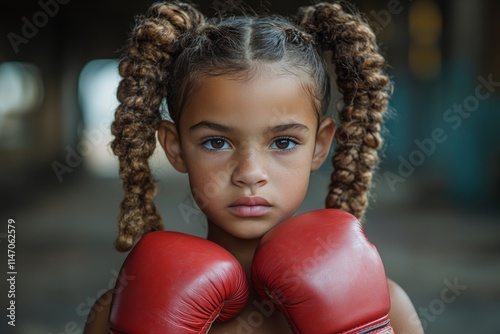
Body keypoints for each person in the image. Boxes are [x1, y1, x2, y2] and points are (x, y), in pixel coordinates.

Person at [84, 1, 424, 333]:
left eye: (283, 142)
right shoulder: (119, 314)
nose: (249, 172)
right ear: (175, 148)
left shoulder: (384, 309)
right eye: (216, 142)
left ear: (320, 146)